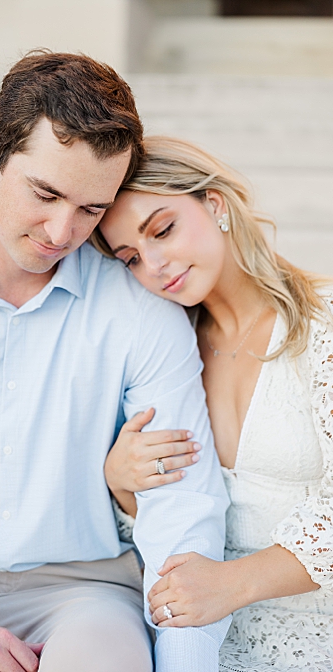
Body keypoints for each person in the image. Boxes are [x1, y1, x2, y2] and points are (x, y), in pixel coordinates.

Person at [0, 50, 231, 672]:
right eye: (45, 193)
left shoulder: (143, 311)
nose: (60, 231)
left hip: (88, 594)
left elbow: (185, 515)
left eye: (91, 209)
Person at [94, 136, 333, 671]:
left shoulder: (325, 328)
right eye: (130, 258)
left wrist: (232, 583)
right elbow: (164, 526)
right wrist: (122, 484)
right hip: (198, 646)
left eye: (163, 229)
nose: (153, 264)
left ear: (216, 204)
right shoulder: (165, 358)